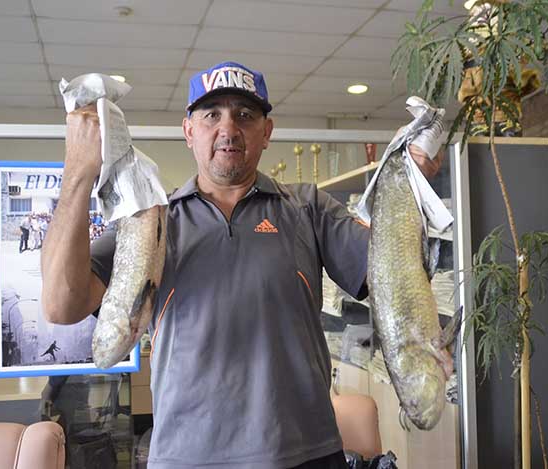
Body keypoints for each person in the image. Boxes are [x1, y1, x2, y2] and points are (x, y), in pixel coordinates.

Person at [41, 61, 447, 469]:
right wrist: (78, 170)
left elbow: (396, 278)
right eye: (211, 114)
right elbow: (62, 304)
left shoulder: (308, 208)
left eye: (245, 115)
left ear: (266, 132)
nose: (228, 128)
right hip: (187, 458)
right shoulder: (153, 221)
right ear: (189, 130)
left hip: (307, 455)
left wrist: (408, 179)